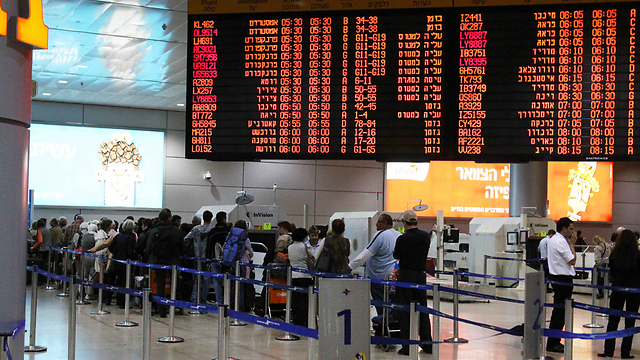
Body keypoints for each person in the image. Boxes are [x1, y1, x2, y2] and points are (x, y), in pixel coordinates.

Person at [393, 210, 432, 356]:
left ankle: (407, 345)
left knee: (404, 311)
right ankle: (427, 343)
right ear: (417, 221)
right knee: (422, 309)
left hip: (406, 275)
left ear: (404, 222)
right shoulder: (425, 236)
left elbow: (397, 255)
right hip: (421, 275)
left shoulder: (402, 239)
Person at [598, 229, 640, 359]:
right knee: (630, 322)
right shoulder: (638, 255)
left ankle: (608, 350)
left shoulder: (614, 255)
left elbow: (613, 273)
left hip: (617, 289)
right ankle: (625, 352)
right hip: (634, 291)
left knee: (613, 320)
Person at [349, 214, 401, 315]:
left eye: (378, 222)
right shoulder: (399, 235)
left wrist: (349, 266)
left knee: (382, 308)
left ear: (385, 223)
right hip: (394, 278)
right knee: (393, 308)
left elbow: (364, 255)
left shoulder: (380, 235)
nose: (376, 224)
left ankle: (382, 328)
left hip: (379, 279)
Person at [146, 208, 185, 317]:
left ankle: (161, 310)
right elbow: (183, 247)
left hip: (158, 261)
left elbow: (148, 248)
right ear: (169, 217)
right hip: (173, 261)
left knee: (160, 286)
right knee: (175, 285)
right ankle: (176, 307)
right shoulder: (177, 230)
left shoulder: (154, 231)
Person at [546, 217, 577, 353]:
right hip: (563, 279)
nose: (572, 232)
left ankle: (554, 340)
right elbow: (572, 260)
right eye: (571, 229)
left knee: (559, 311)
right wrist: (573, 245)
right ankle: (553, 342)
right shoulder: (561, 241)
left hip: (558, 278)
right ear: (563, 229)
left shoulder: (554, 240)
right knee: (560, 312)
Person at [185, 210, 213, 303]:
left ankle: (194, 298)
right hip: (207, 258)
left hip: (196, 257)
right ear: (211, 218)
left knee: (196, 279)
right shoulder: (212, 230)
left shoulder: (195, 229)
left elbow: (186, 239)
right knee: (206, 280)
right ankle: (203, 299)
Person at [107, 219, 137, 308]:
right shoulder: (131, 237)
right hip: (126, 263)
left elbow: (111, 247)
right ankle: (122, 302)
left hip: (116, 261)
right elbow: (131, 251)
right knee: (124, 282)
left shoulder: (118, 236)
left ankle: (112, 299)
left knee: (115, 281)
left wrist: (116, 254)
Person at [288, 228, 315, 326]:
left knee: (295, 300)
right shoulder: (305, 246)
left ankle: (296, 321)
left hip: (293, 276)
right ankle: (305, 321)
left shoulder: (290, 247)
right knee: (304, 301)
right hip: (305, 276)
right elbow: (314, 256)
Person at [208, 211, 231, 304]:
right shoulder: (229, 230)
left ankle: (219, 301)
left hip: (215, 259)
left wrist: (208, 258)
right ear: (224, 219)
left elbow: (209, 246)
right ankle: (228, 301)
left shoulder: (213, 231)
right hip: (228, 259)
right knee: (228, 280)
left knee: (217, 281)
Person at [81, 223, 98, 300]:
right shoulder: (96, 236)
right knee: (92, 274)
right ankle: (89, 293)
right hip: (93, 256)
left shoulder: (84, 235)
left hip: (84, 255)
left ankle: (83, 291)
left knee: (85, 274)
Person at [593, 235, 611, 299]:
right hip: (607, 264)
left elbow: (598, 258)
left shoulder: (597, 248)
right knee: (606, 279)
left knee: (598, 279)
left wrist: (597, 265)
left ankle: (601, 293)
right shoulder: (607, 245)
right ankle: (607, 292)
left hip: (601, 265)